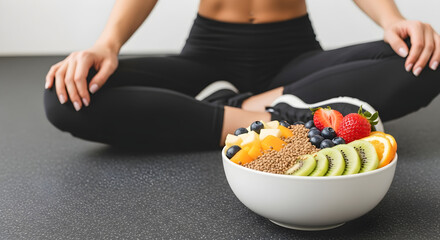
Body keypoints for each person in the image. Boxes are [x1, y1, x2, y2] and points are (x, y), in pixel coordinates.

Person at [44, 0, 440, 151]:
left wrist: (394, 21)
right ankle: (266, 117)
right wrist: (107, 44)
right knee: (67, 95)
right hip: (208, 61)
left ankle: (238, 110)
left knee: (423, 60)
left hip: (292, 59)